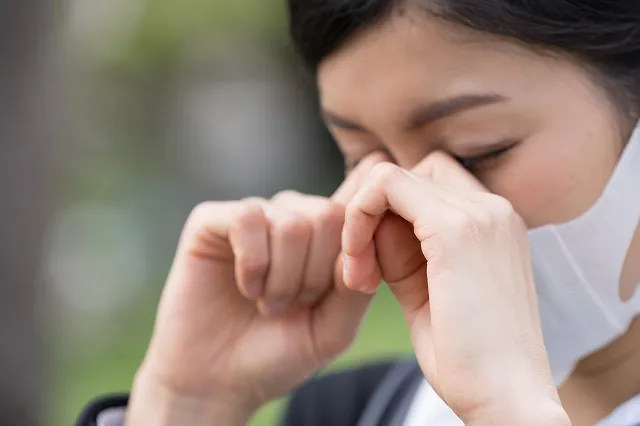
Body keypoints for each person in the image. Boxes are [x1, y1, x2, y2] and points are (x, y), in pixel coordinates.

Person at [76, 1, 640, 425]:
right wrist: (183, 403)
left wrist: (509, 407)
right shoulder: (353, 412)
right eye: (363, 160)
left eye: (479, 151)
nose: (416, 209)